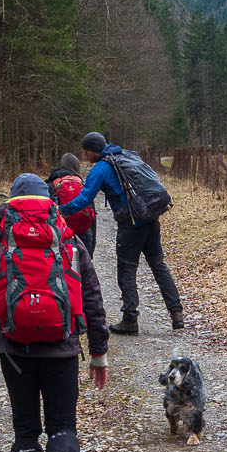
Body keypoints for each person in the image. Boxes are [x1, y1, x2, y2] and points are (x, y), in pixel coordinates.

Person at [0, 173, 109, 452]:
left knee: (26, 428)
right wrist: (98, 353)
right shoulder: (68, 239)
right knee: (62, 424)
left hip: (15, 352)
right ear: (48, 201)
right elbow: (92, 298)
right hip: (61, 348)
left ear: (12, 202)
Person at [64, 131, 183, 335]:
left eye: (86, 151)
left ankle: (130, 319)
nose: (84, 155)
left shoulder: (101, 168)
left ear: (92, 150)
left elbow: (84, 199)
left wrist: (59, 211)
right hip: (150, 217)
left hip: (131, 224)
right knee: (158, 265)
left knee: (127, 268)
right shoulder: (129, 156)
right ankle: (176, 313)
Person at [47, 152, 95, 255]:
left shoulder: (50, 185)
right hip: (84, 234)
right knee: (83, 266)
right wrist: (91, 247)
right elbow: (92, 217)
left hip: (59, 234)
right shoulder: (83, 185)